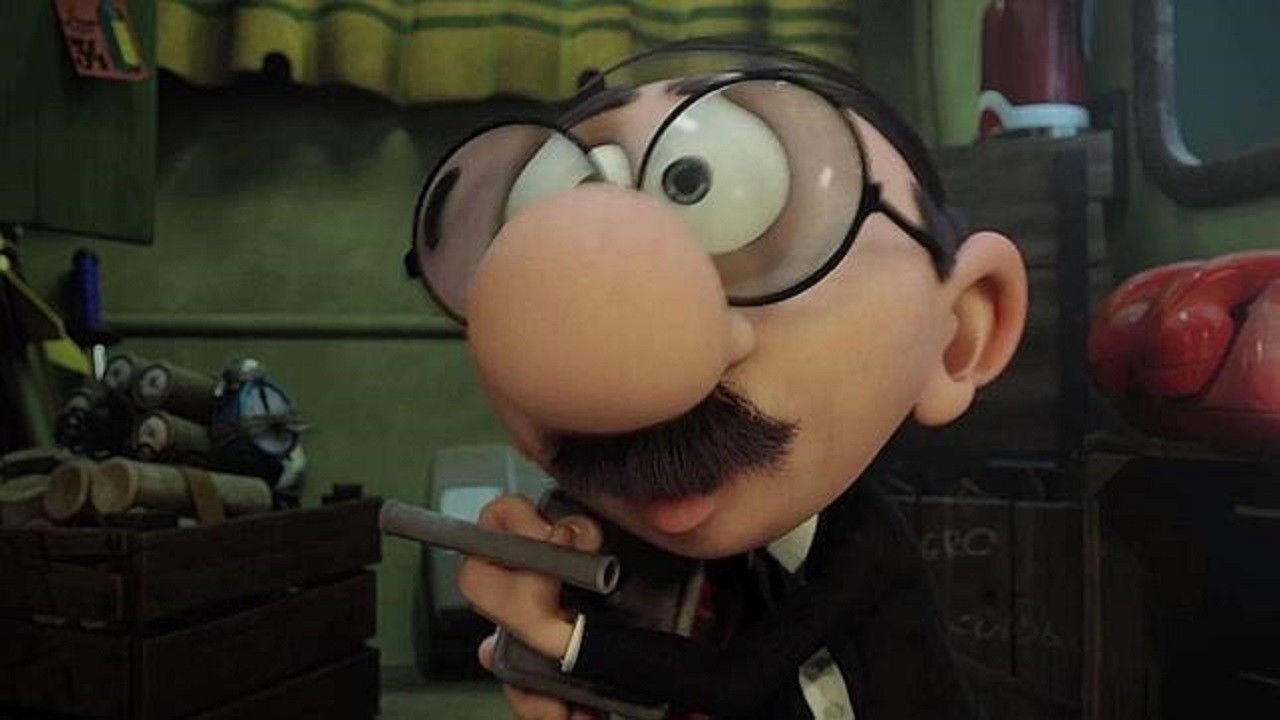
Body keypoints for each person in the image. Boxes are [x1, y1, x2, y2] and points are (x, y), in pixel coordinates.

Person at [405, 40, 1028, 720]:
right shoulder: (660, 557)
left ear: (960, 334)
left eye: (704, 188)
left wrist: (564, 640)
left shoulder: (860, 545)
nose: (630, 351)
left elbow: (736, 681)